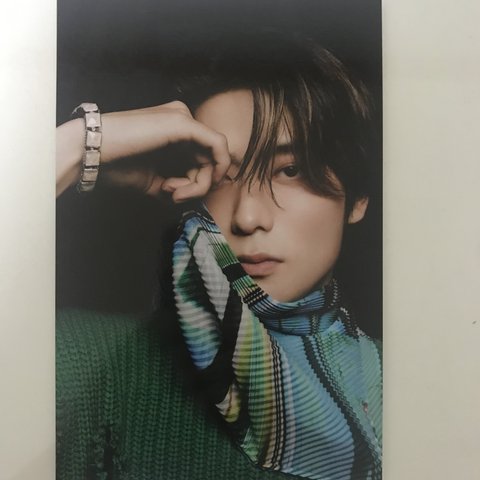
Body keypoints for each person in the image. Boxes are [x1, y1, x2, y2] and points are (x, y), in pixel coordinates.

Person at [56, 31, 382, 480]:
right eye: (222, 174)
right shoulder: (88, 360)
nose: (247, 218)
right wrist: (80, 145)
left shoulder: (425, 380)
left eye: (290, 170)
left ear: (358, 197)